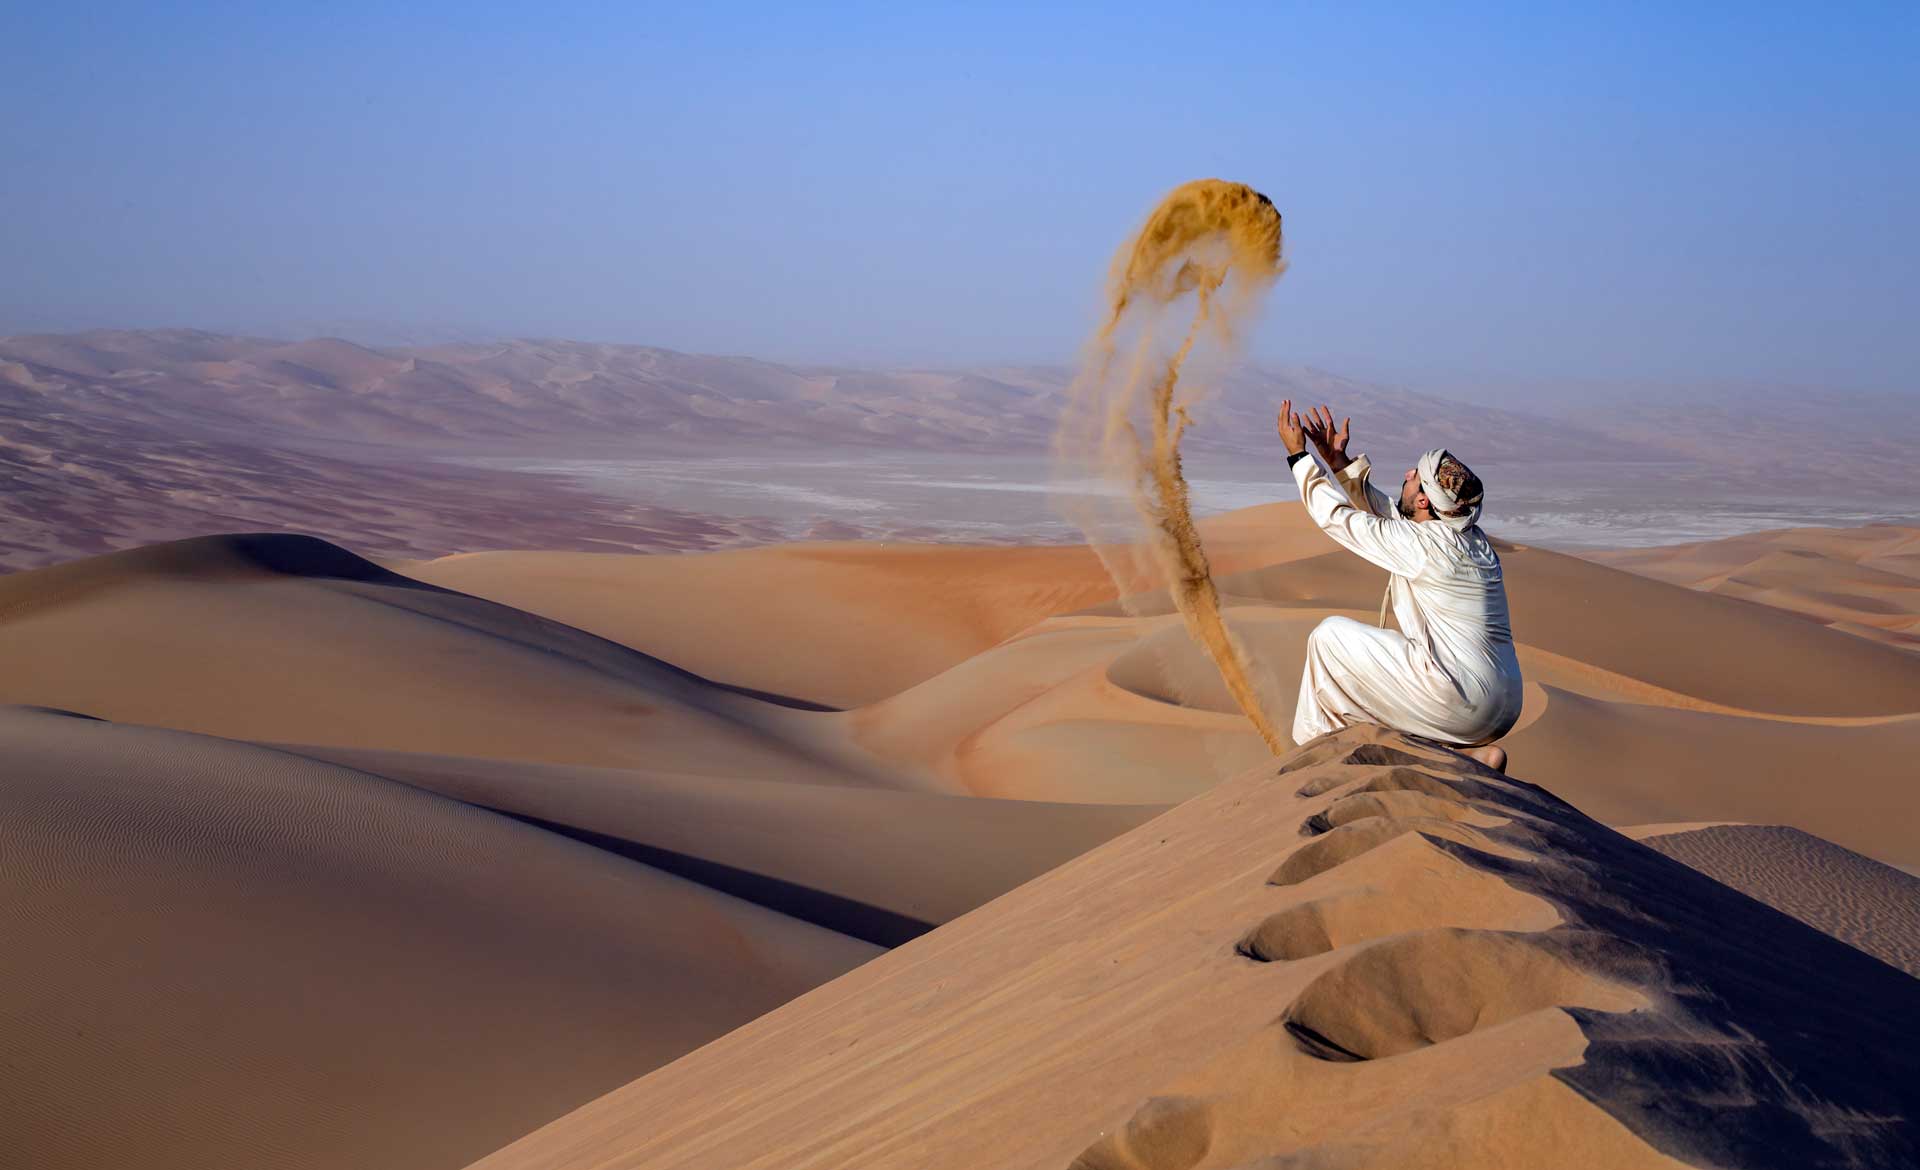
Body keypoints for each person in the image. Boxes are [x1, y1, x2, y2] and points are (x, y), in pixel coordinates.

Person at [1275, 399, 1522, 772]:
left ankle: (1318, 762)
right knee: (1400, 676)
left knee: (1329, 639)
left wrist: (1299, 458)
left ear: (1424, 499)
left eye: (1415, 476)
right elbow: (1392, 518)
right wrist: (1340, 466)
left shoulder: (1424, 547)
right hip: (1502, 705)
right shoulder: (1471, 540)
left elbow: (1336, 518)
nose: (1407, 473)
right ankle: (1469, 759)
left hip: (1461, 699)